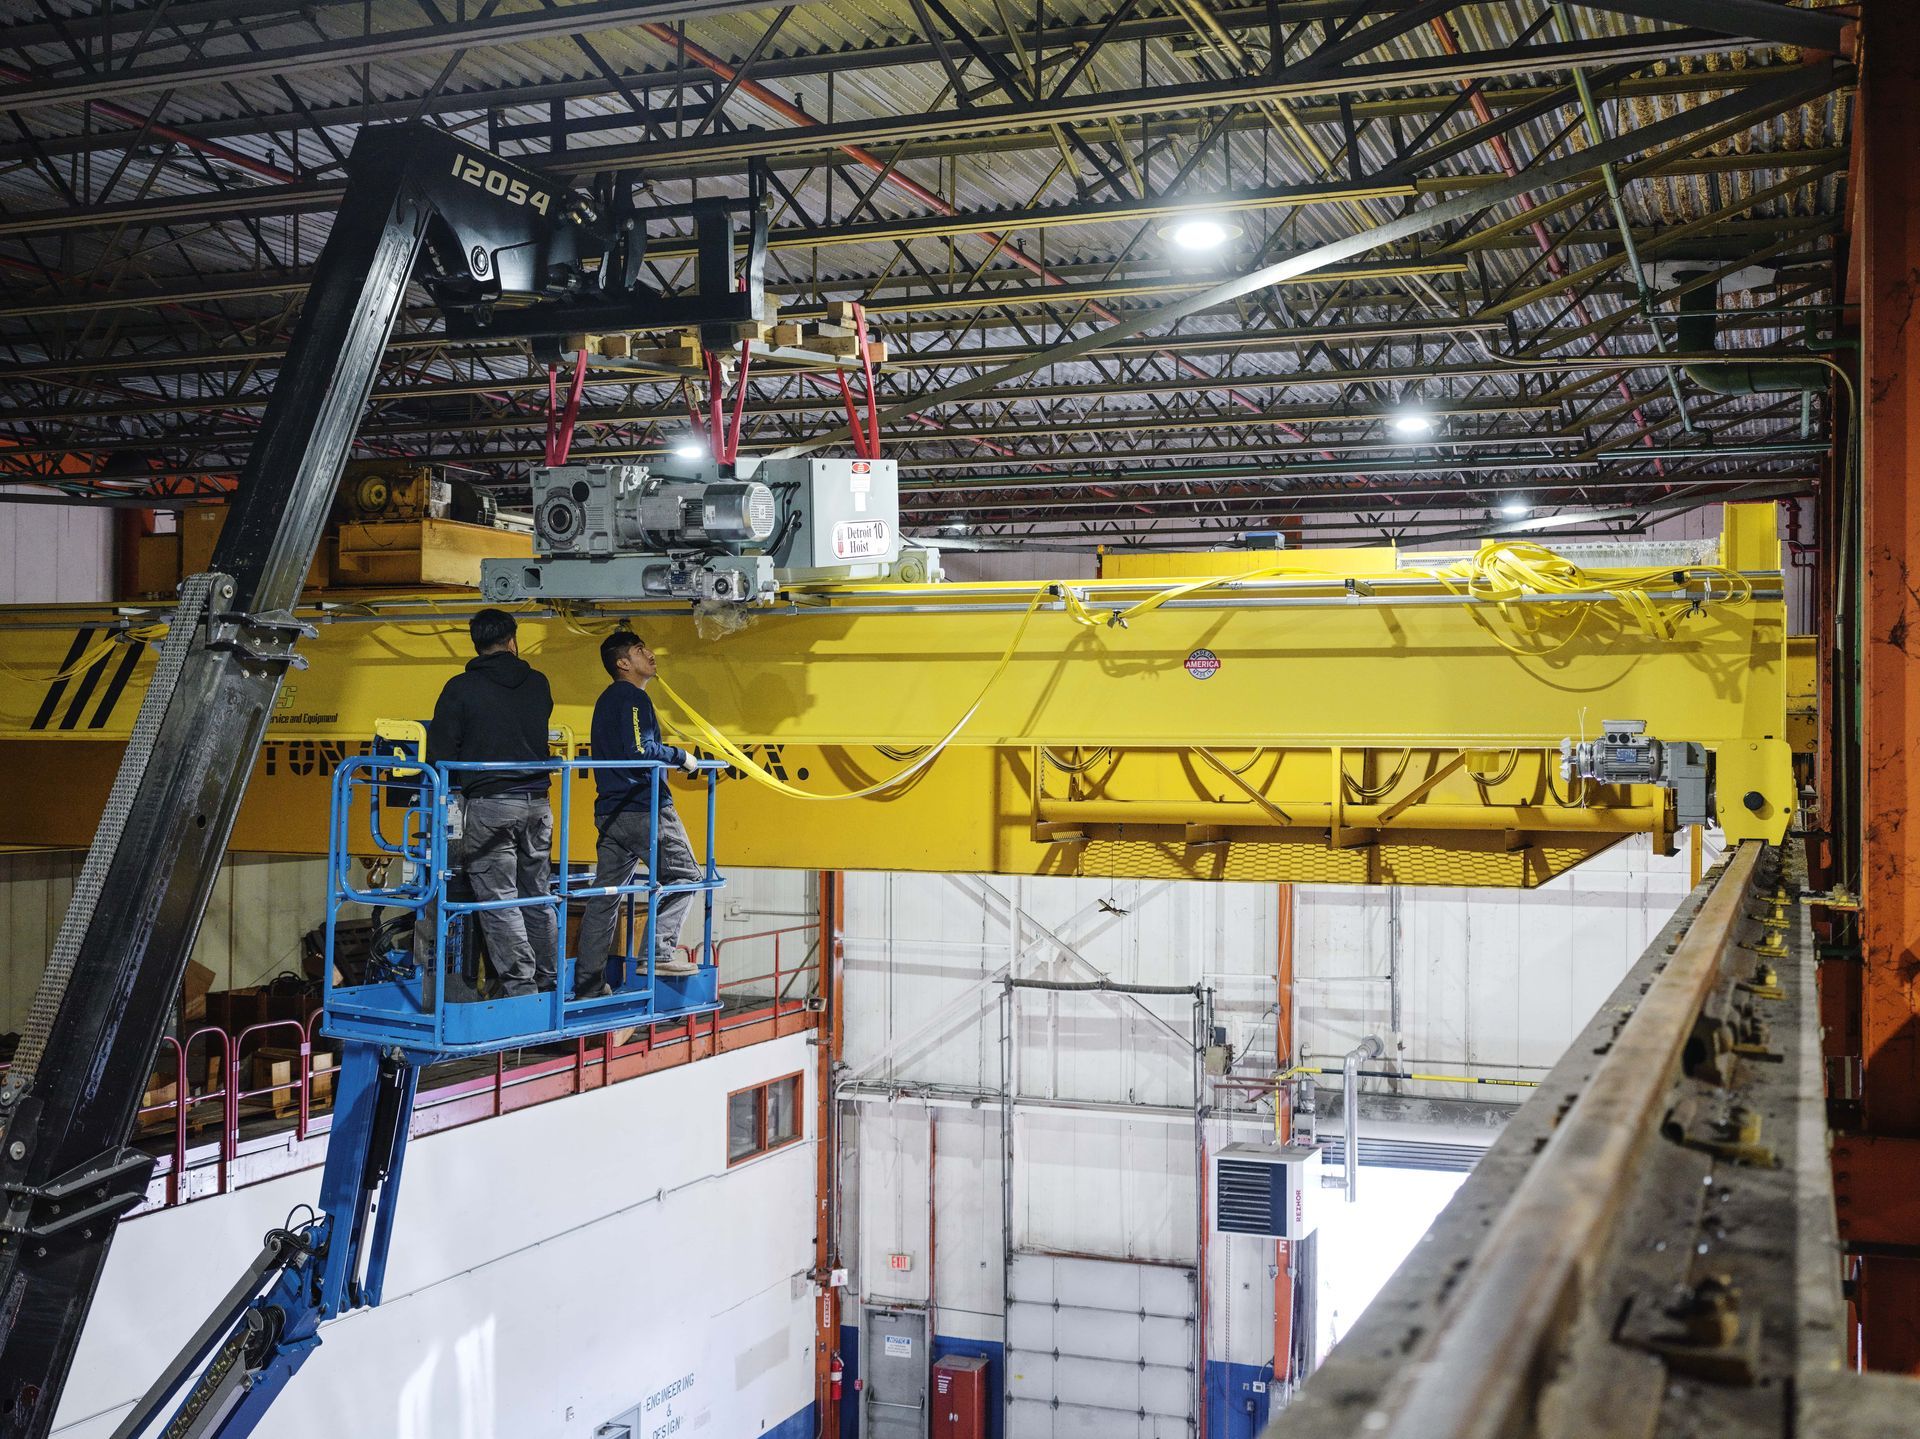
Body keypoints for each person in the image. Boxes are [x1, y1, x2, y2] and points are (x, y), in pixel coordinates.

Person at [429, 608, 558, 998]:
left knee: (499, 900)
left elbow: (439, 755)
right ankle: (549, 980)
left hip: (490, 806)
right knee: (536, 894)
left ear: (476, 644)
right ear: (512, 640)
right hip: (538, 803)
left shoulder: (459, 688)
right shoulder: (538, 683)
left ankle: (521, 987)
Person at [575, 629, 704, 998]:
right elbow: (638, 748)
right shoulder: (630, 696)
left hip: (611, 812)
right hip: (641, 808)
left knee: (606, 898)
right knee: (686, 877)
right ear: (622, 663)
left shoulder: (607, 700)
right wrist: (682, 758)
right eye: (639, 650)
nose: (650, 653)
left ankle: (587, 985)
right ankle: (658, 953)